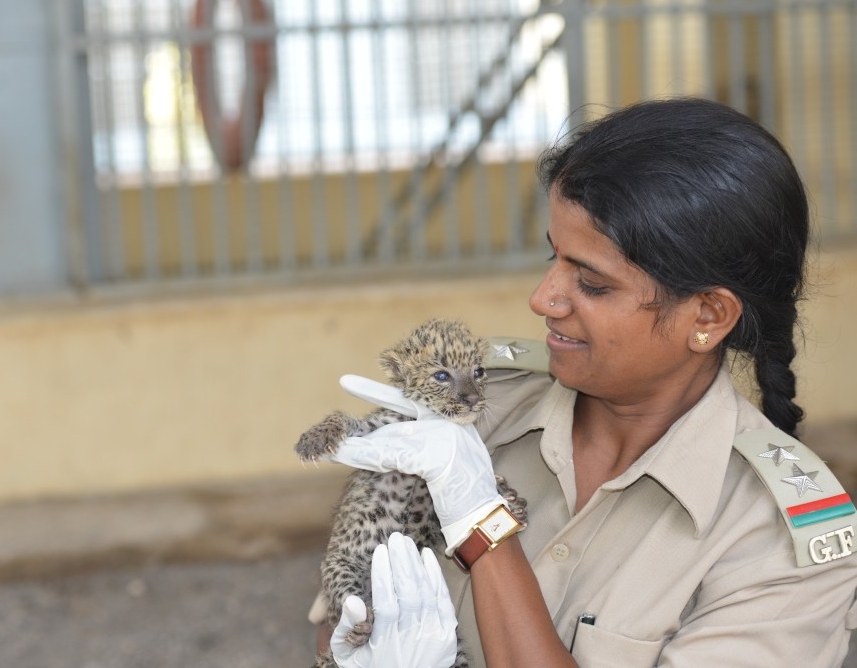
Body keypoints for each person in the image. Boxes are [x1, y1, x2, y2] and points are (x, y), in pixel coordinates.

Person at [313, 97, 857, 667]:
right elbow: (340, 614)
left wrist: (482, 522)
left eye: (592, 283)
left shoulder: (775, 545)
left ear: (707, 317)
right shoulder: (475, 406)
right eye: (555, 257)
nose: (542, 298)